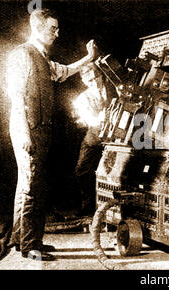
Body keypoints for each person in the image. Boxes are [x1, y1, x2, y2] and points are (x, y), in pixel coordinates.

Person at [6, 8, 97, 261]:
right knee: (31, 187)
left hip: (39, 129)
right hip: (29, 129)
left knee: (27, 185)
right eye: (52, 29)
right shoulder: (22, 54)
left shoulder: (42, 57)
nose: (57, 33)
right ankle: (30, 246)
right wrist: (24, 133)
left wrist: (88, 58)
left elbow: (63, 72)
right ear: (37, 27)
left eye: (57, 29)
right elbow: (16, 97)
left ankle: (19, 238)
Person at [73, 62, 118, 216]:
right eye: (90, 81)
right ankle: (89, 206)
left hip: (116, 137)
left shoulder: (115, 89)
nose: (95, 83)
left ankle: (113, 208)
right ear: (84, 82)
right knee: (82, 170)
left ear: (101, 75)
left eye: (97, 77)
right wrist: (101, 118)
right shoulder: (82, 98)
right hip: (95, 136)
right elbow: (91, 121)